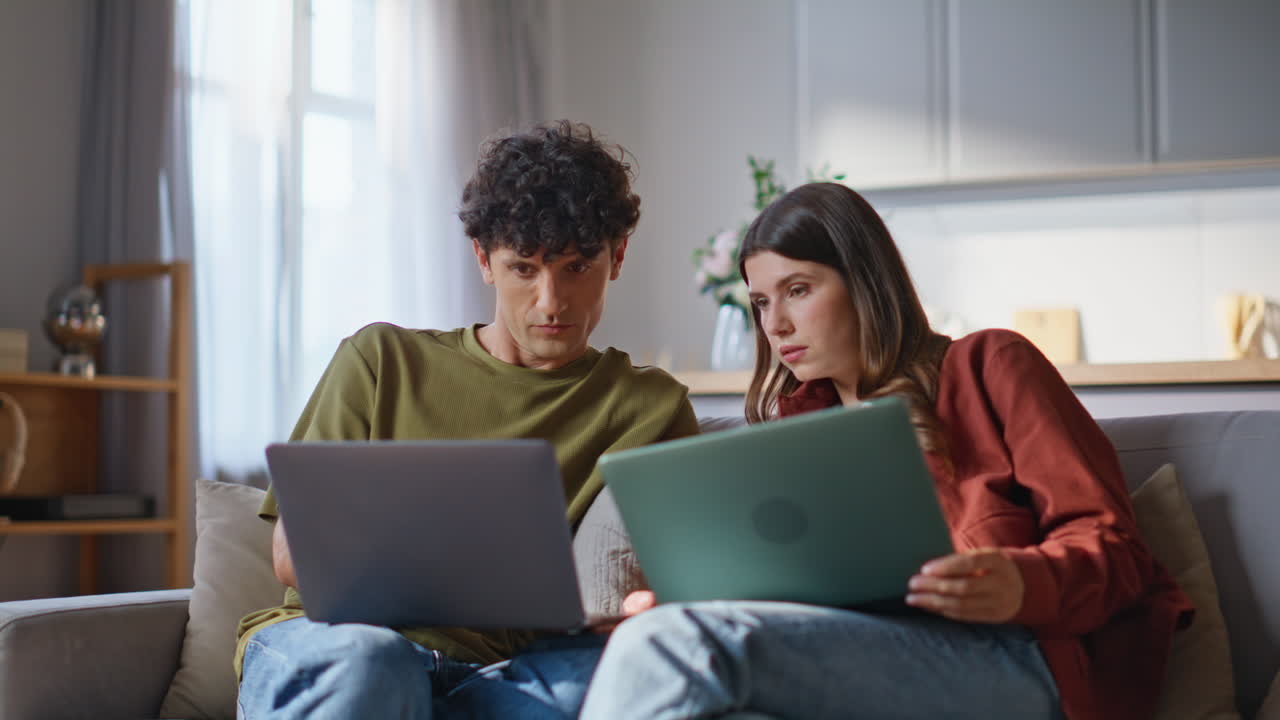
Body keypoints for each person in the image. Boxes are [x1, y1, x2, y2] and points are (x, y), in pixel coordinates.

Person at [580, 182, 1193, 720]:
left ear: (864, 284)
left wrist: (1021, 581)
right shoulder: (794, 435)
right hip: (869, 650)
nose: (777, 325)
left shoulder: (989, 367)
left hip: (1020, 659)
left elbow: (1117, 552)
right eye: (762, 302)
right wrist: (689, 599)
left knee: (667, 644)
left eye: (798, 289)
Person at [234, 120, 700, 719]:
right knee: (374, 665)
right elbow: (291, 553)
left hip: (504, 676)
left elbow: (678, 579)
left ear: (618, 256)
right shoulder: (379, 361)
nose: (551, 301)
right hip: (338, 643)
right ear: (484, 259)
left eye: (577, 267)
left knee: (637, 682)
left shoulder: (650, 407)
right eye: (524, 269)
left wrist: (643, 605)